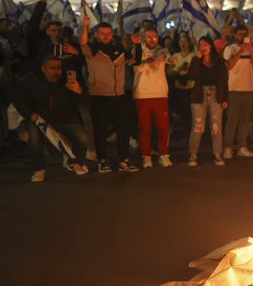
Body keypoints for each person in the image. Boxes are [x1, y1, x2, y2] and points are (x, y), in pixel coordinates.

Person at [11, 55, 90, 182]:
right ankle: (39, 169)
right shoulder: (29, 81)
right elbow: (17, 98)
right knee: (35, 139)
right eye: (52, 68)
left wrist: (79, 91)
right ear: (43, 69)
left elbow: (85, 100)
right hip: (40, 119)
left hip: (66, 118)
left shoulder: (67, 79)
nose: (56, 71)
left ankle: (75, 162)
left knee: (83, 139)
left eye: (58, 67)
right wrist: (29, 114)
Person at [80, 17, 137, 173]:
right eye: (102, 33)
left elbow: (134, 60)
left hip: (119, 95)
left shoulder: (118, 50)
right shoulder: (93, 49)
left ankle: (124, 160)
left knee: (123, 129)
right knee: (100, 130)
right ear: (96, 35)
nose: (106, 36)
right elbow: (83, 43)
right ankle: (102, 161)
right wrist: (85, 26)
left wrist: (137, 44)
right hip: (100, 96)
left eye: (109, 33)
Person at [132, 29, 172, 168]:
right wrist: (149, 63)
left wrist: (170, 60)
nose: (152, 40)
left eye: (155, 37)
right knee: (144, 128)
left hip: (160, 94)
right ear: (144, 38)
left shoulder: (162, 51)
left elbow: (169, 59)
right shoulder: (137, 50)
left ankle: (164, 155)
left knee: (163, 127)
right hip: (143, 94)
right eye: (149, 37)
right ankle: (146, 156)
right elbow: (137, 68)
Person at [186, 37, 228, 166]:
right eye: (200, 45)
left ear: (210, 46)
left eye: (205, 45)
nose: (202, 47)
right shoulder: (196, 59)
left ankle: (217, 154)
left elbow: (224, 79)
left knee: (216, 127)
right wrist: (197, 59)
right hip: (199, 95)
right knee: (198, 127)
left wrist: (225, 98)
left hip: (216, 94)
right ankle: (193, 155)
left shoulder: (219, 61)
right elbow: (191, 76)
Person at [222, 24, 253, 158]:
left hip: (248, 88)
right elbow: (229, 66)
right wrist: (241, 51)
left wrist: (250, 51)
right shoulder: (229, 49)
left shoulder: (251, 48)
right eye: (240, 34)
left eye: (244, 34)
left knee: (245, 119)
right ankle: (227, 147)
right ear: (235, 35)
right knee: (232, 119)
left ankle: (242, 146)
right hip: (234, 89)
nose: (242, 37)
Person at [167, 33, 196, 130]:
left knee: (192, 111)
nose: (183, 43)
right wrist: (180, 68)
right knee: (183, 111)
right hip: (179, 88)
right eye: (181, 41)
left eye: (185, 41)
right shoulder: (175, 56)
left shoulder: (193, 55)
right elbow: (170, 72)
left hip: (192, 87)